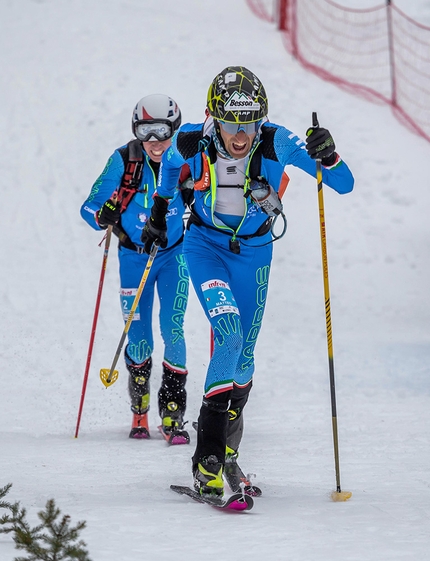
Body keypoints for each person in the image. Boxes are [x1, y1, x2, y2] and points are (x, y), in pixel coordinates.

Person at [141, 66, 354, 495]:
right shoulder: (195, 140)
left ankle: (230, 454)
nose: (240, 136)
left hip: (255, 254)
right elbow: (169, 172)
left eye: (249, 124)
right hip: (204, 248)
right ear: (213, 117)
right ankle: (208, 460)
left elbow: (344, 184)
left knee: (244, 355)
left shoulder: (276, 140)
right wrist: (162, 214)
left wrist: (327, 154)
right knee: (230, 335)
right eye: (231, 124)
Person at [80, 94, 192, 444]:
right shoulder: (124, 160)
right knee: (139, 338)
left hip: (174, 255)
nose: (154, 141)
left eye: (162, 131)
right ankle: (139, 407)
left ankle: (173, 412)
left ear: (174, 129)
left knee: (173, 329)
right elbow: (89, 206)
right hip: (133, 257)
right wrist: (103, 216)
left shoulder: (186, 159)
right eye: (146, 132)